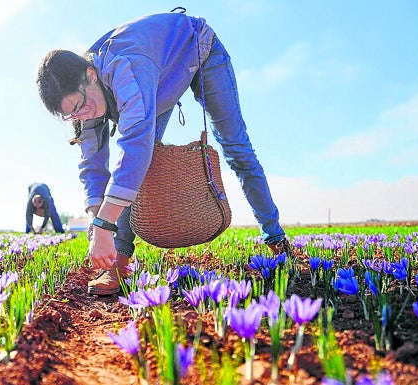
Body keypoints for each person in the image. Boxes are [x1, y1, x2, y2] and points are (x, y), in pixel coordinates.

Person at [36, 9, 291, 295]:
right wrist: (97, 221)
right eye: (71, 115)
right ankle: (118, 265)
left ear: (91, 75)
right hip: (156, 78)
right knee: (137, 168)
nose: (82, 115)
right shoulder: (85, 101)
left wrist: (106, 223)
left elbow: (134, 146)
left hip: (197, 50)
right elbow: (93, 165)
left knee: (236, 149)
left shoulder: (125, 67)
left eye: (80, 106)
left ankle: (275, 238)